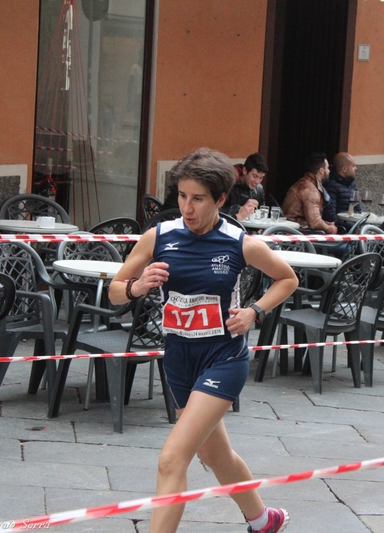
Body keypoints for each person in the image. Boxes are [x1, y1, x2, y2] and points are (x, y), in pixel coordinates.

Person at [109, 148, 298, 533]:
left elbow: (287, 278)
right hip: (178, 358)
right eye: (181, 196)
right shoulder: (158, 236)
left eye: (197, 199)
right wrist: (138, 286)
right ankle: (264, 520)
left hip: (223, 359)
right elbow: (114, 290)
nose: (187, 208)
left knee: (171, 458)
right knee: (216, 454)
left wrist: (254, 312)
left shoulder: (240, 243)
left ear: (221, 199)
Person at [282, 152, 338, 234]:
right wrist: (330, 228)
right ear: (321, 171)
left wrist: (326, 223)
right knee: (344, 246)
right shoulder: (310, 190)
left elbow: (309, 219)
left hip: (293, 231)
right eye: (328, 168)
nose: (329, 171)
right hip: (297, 236)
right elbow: (315, 223)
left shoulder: (304, 183)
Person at [223, 153, 269, 221]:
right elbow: (215, 212)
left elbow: (261, 214)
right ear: (244, 170)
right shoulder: (227, 185)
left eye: (261, 178)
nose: (257, 181)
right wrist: (239, 209)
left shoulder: (259, 188)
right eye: (255, 176)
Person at [323, 152, 361, 233]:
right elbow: (330, 215)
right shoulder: (331, 185)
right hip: (341, 230)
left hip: (353, 226)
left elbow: (358, 210)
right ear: (344, 169)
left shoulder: (352, 184)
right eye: (353, 166)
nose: (356, 168)